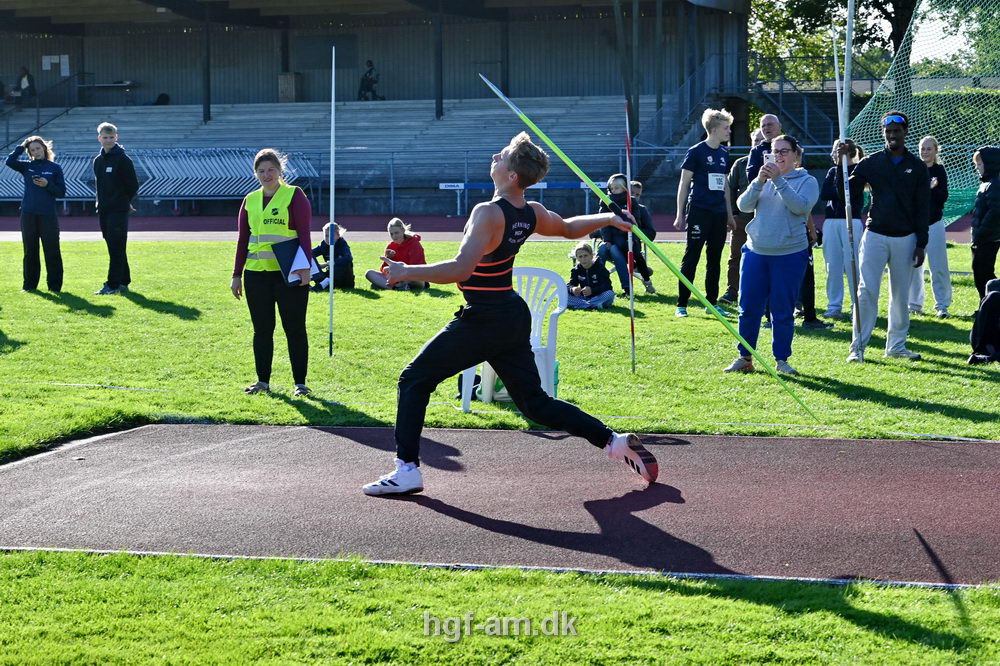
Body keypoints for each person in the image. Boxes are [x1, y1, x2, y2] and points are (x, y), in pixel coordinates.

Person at [362, 132, 658, 496]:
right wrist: (610, 218)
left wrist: (406, 271)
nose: (494, 158)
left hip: (485, 318)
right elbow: (568, 229)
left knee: (413, 380)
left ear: (512, 175)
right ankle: (613, 441)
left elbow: (461, 268)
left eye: (501, 156)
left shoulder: (487, 213)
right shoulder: (530, 212)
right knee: (535, 403)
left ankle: (406, 470)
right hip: (512, 315)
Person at [839, 111, 929, 363]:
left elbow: (923, 207)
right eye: (888, 131)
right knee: (866, 292)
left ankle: (896, 346)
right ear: (883, 133)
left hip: (906, 238)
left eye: (896, 131)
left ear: (905, 132)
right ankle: (857, 347)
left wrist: (921, 243)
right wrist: (843, 162)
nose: (892, 135)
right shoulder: (872, 162)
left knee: (900, 296)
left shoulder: (917, 166)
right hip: (875, 235)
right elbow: (846, 190)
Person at [728, 135, 819, 375]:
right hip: (756, 251)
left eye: (784, 151)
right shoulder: (763, 179)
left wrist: (778, 180)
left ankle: (782, 360)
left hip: (790, 254)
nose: (778, 156)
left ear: (796, 155)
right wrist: (759, 181)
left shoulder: (807, 181)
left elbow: (800, 206)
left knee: (782, 311)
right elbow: (743, 206)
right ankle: (745, 357)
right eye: (774, 151)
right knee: (748, 308)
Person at [231, 149, 314, 397]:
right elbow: (242, 239)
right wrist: (236, 275)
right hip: (256, 275)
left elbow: (304, 235)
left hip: (288, 275)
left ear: (280, 170)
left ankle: (300, 384)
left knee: (295, 329)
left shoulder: (294, 195)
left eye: (271, 170)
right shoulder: (250, 200)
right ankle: (263, 382)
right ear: (255, 173)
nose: (266, 175)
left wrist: (305, 268)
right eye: (261, 171)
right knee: (262, 330)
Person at [673, 108, 736, 318]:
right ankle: (681, 305)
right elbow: (684, 183)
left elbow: (725, 186)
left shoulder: (724, 153)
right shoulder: (696, 151)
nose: (729, 131)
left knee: (715, 259)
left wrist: (729, 214)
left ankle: (712, 303)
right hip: (699, 211)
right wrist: (679, 213)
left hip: (719, 213)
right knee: (692, 256)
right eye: (726, 128)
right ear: (714, 129)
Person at [6, 136, 66, 293]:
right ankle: (29, 286)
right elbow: (9, 161)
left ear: (44, 148)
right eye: (32, 150)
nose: (36, 151)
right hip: (28, 214)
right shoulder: (26, 166)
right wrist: (22, 146)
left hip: (48, 215)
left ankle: (54, 286)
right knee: (30, 251)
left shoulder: (55, 167)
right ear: (30, 153)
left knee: (52, 250)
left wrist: (47, 184)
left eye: (38, 148)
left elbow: (61, 192)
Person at [820, 139, 866, 320]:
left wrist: (839, 190)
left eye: (839, 152)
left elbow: (848, 194)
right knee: (832, 265)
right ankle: (834, 305)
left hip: (851, 220)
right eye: (835, 152)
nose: (835, 155)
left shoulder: (858, 171)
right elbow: (826, 193)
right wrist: (839, 189)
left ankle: (858, 305)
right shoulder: (833, 171)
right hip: (832, 221)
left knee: (853, 264)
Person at [93, 122, 139, 295]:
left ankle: (112, 285)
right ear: (99, 138)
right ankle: (124, 282)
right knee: (114, 246)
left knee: (116, 246)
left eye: (111, 137)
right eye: (105, 137)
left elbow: (133, 185)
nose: (109, 140)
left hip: (118, 210)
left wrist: (123, 202)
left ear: (116, 137)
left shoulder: (123, 159)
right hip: (104, 210)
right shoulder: (98, 161)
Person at [908, 136, 951, 317]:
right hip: (914, 226)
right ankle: (914, 304)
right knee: (914, 265)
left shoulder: (939, 171)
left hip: (934, 224)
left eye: (929, 149)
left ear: (935, 151)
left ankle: (942, 305)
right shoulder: (914, 168)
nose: (925, 152)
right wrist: (926, 187)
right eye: (923, 149)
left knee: (938, 265)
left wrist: (932, 189)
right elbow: (909, 196)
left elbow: (942, 197)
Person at [721, 129, 765, 305]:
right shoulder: (740, 164)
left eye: (762, 141)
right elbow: (730, 189)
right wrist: (733, 214)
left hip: (766, 220)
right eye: (756, 141)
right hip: (743, 219)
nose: (759, 144)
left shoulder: (777, 164)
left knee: (765, 258)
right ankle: (732, 291)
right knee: (736, 256)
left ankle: (762, 294)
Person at [598, 174, 655, 295]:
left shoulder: (631, 201)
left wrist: (632, 237)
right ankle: (598, 285)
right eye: (612, 188)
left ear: (625, 188)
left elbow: (635, 223)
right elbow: (603, 223)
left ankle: (645, 281)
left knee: (635, 255)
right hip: (612, 241)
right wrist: (607, 240)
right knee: (604, 249)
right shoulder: (605, 201)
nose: (614, 190)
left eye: (617, 188)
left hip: (629, 241)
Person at [970, 146, 1000, 301]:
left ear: (990, 165)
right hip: (982, 238)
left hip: (988, 238)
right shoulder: (987, 184)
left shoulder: (995, 185)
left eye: (980, 164)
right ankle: (985, 304)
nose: (977, 168)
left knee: (984, 273)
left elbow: (995, 211)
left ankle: (989, 304)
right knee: (979, 272)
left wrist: (981, 231)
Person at [365, 217, 428, 290]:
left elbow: (418, 268)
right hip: (396, 278)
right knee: (369, 273)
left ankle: (390, 286)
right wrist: (388, 258)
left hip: (413, 276)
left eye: (396, 233)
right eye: (391, 234)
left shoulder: (414, 243)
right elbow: (384, 271)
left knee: (416, 278)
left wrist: (401, 273)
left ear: (403, 230)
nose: (394, 236)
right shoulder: (390, 246)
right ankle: (397, 287)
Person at [567, 241, 615, 310]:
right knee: (563, 294)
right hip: (583, 297)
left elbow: (607, 286)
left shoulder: (600, 268)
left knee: (610, 294)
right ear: (577, 258)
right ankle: (592, 305)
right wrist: (573, 289)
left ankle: (584, 305)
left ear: (591, 256)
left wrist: (592, 290)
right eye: (580, 257)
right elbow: (570, 284)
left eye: (585, 256)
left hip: (599, 296)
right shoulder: (576, 269)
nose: (583, 259)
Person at [311, 222, 355, 290]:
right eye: (326, 236)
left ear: (338, 235)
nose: (328, 239)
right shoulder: (324, 245)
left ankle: (321, 285)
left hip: (344, 280)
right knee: (308, 258)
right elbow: (309, 254)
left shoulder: (342, 244)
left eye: (331, 236)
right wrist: (317, 265)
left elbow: (348, 258)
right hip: (329, 276)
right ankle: (306, 283)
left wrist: (332, 263)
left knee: (344, 263)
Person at [969, 279, 1000, 364]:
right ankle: (987, 352)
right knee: (994, 293)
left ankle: (988, 356)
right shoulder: (994, 293)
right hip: (986, 342)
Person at [745, 114, 783, 182]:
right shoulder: (756, 151)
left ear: (779, 126)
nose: (766, 128)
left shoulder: (791, 146)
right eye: (763, 126)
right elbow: (751, 176)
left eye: (770, 124)